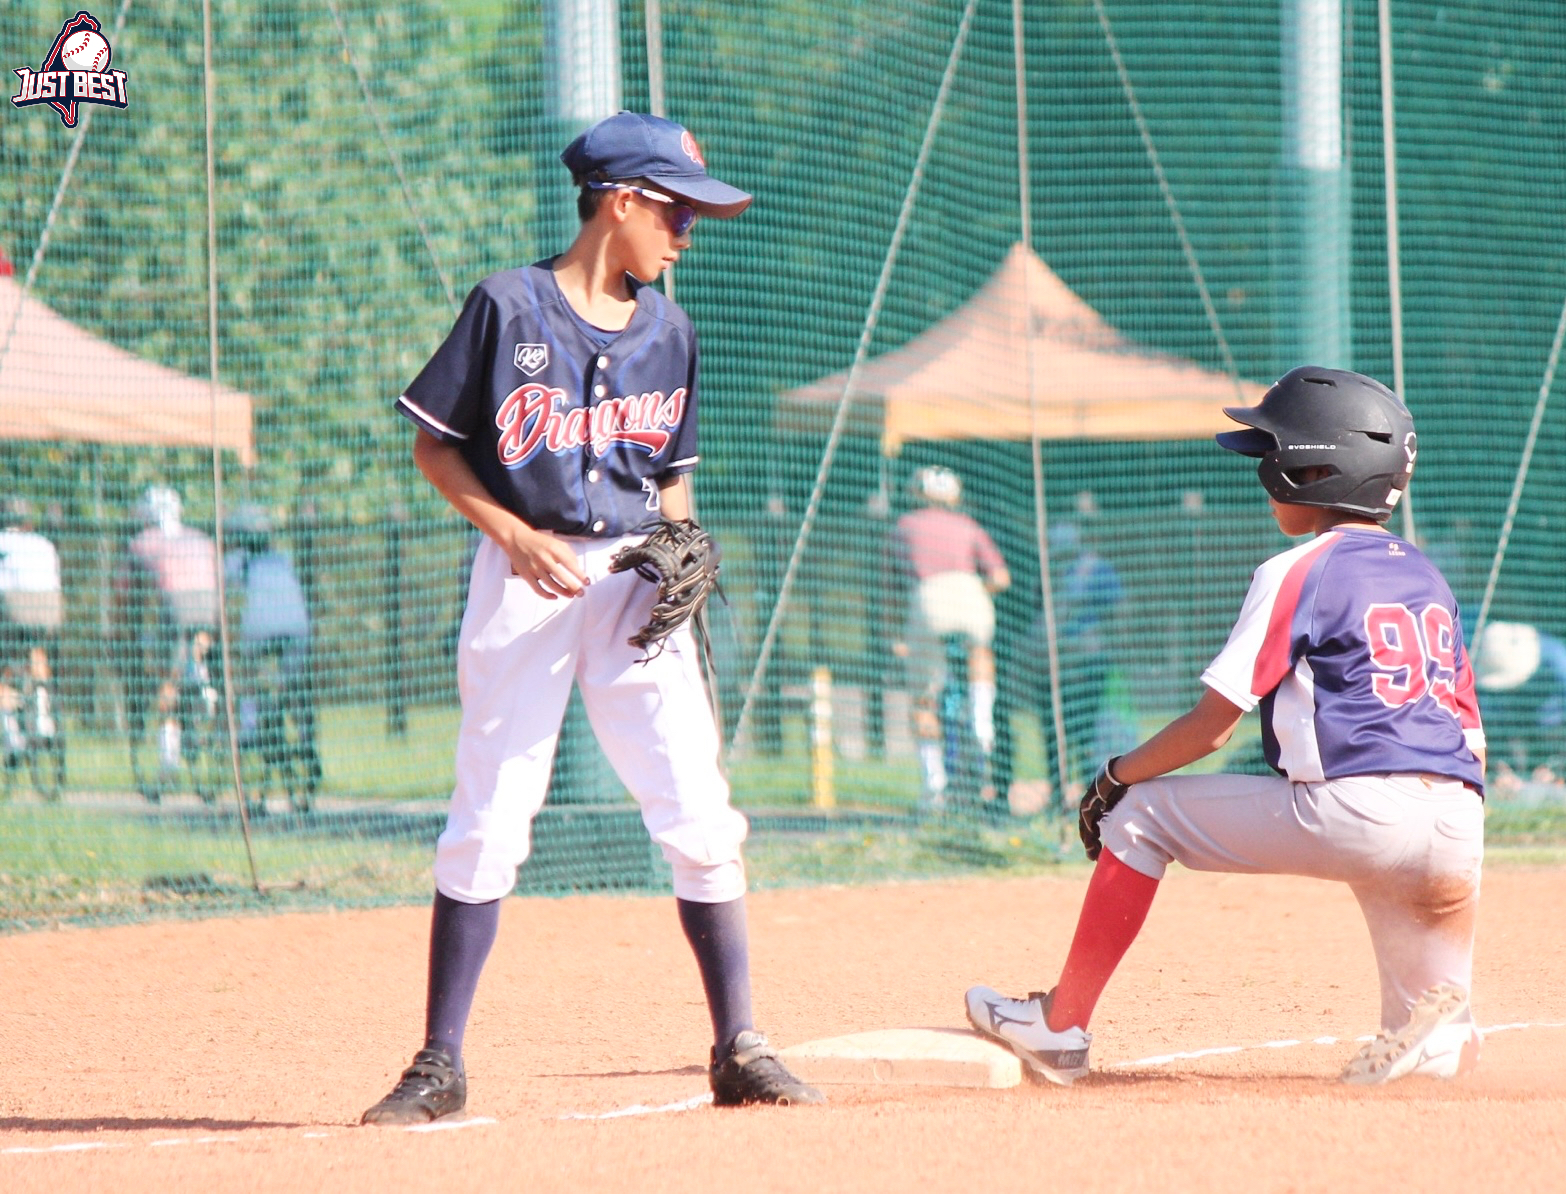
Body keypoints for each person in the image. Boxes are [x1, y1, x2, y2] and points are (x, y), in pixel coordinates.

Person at [361, 111, 820, 1126]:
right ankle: (440, 1062)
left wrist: (685, 557)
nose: (686, 233)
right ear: (620, 202)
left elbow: (673, 481)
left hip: (631, 581)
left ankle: (739, 1042)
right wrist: (508, 532)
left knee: (699, 809)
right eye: (675, 211)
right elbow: (436, 450)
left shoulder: (671, 330)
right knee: (492, 809)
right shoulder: (506, 307)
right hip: (525, 574)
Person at [965, 366, 1488, 1087]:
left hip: (1360, 812)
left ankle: (1058, 1028)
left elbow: (1214, 725)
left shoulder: (1297, 569)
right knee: (1414, 993)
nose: (1261, 468)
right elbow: (1468, 730)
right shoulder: (1426, 575)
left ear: (1310, 469)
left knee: (1144, 816)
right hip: (1460, 821)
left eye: (1273, 453)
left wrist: (1115, 777)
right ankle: (1436, 1037)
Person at [887, 465, 1011, 806]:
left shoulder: (904, 526)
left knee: (923, 696)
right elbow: (1001, 577)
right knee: (980, 655)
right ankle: (981, 722)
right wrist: (976, 588)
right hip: (971, 596)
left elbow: (891, 587)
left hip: (928, 602)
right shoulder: (967, 525)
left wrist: (895, 633)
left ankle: (934, 786)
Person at [117, 485, 220, 786]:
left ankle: (169, 761)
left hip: (174, 609)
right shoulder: (200, 538)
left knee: (167, 680)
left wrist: (122, 629)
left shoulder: (143, 541)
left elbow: (123, 594)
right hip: (207, 609)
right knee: (195, 650)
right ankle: (204, 688)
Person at [222, 504, 321, 798]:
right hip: (297, 629)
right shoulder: (282, 558)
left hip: (260, 630)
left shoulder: (238, 560)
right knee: (291, 686)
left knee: (248, 675)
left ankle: (250, 726)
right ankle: (303, 734)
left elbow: (224, 589)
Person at [1033, 518, 1125, 804]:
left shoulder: (1095, 569)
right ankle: (1058, 795)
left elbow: (1119, 610)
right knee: (1054, 731)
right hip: (1054, 662)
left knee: (1085, 733)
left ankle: (1090, 795)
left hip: (1087, 660)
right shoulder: (1048, 574)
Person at [1474, 619, 1566, 814]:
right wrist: (1499, 766)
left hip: (1554, 728)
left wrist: (1553, 765)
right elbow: (1484, 721)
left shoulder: (1557, 657)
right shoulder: (1485, 658)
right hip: (1509, 728)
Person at [0, 499, 63, 760]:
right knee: (37, 651)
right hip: (49, 608)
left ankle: (12, 737)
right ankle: (43, 718)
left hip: (14, 608)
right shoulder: (43, 542)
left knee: (4, 670)